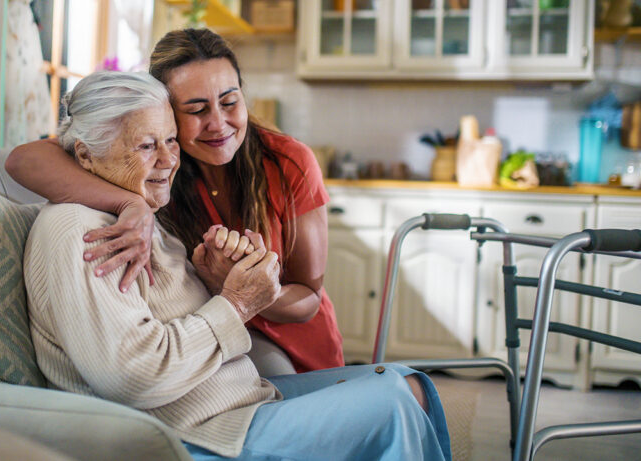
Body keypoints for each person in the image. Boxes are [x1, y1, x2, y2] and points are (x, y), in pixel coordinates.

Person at [24, 71, 451, 460]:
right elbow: (133, 375)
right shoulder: (82, 233)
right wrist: (236, 303)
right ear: (86, 155)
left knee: (410, 383)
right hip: (202, 433)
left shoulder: (135, 214)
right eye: (146, 145)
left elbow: (176, 314)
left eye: (171, 140)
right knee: (392, 402)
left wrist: (217, 279)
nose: (169, 160)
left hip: (240, 402)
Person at [7, 28, 343, 374]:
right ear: (166, 112)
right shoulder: (160, 170)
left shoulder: (287, 162)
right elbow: (23, 160)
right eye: (196, 109)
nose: (218, 124)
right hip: (216, 343)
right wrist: (131, 205)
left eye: (230, 102)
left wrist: (247, 289)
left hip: (299, 347)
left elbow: (309, 298)